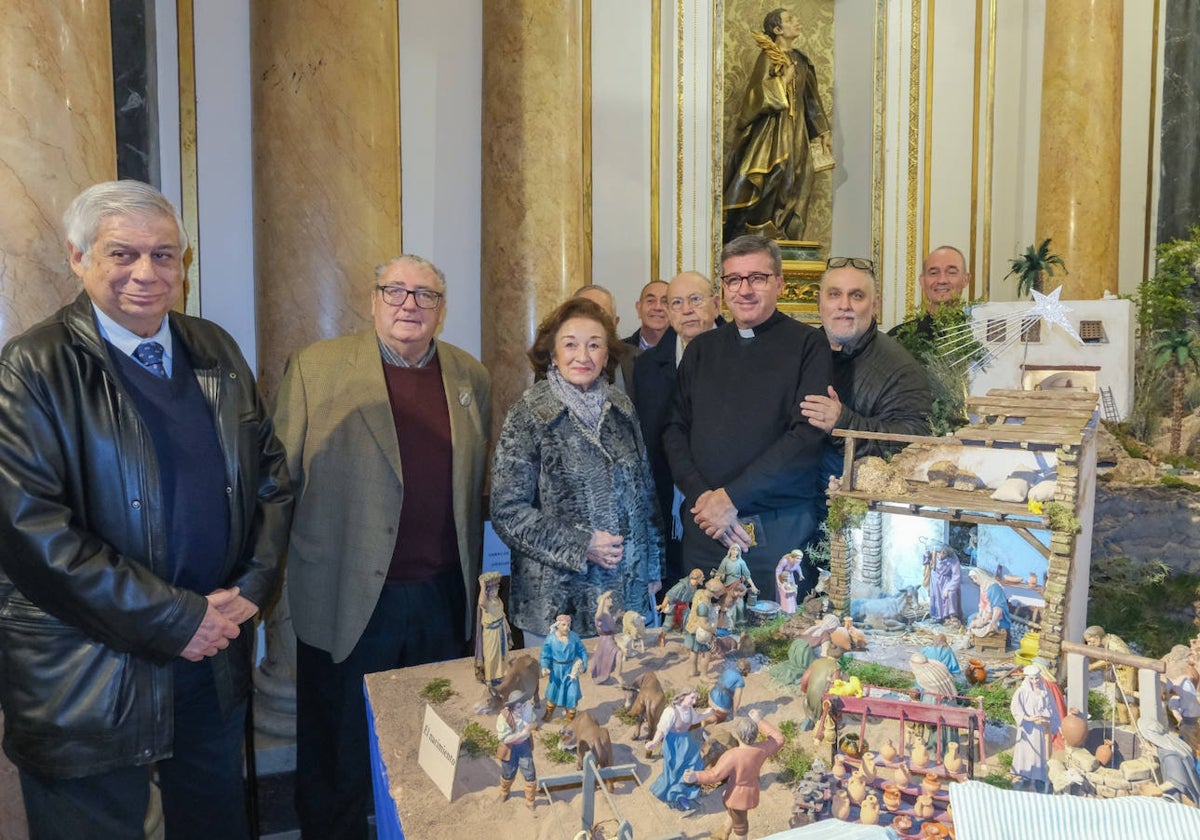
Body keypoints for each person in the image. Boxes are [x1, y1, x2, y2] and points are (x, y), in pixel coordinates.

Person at [0, 180, 292, 840]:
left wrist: (251, 586)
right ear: (77, 258)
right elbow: (33, 534)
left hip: (207, 656)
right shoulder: (33, 368)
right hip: (88, 671)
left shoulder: (213, 348)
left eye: (164, 255)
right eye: (122, 253)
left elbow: (271, 479)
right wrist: (175, 617)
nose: (145, 273)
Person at [273, 253, 491, 839]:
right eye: (395, 291)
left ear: (441, 310)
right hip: (346, 598)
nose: (409, 305)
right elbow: (278, 486)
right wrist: (268, 590)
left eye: (425, 295)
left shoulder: (470, 376)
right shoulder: (315, 369)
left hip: (441, 597)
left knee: (433, 744)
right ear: (372, 300)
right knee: (336, 751)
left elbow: (476, 488)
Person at [491, 297, 663, 648]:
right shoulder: (529, 414)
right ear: (552, 353)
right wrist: (582, 544)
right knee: (561, 698)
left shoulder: (622, 408)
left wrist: (653, 568)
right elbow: (508, 513)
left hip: (626, 595)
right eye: (570, 344)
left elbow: (645, 495)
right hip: (557, 603)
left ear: (606, 355)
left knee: (623, 696)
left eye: (594, 345)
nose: (582, 356)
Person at [663, 235, 831, 591]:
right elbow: (674, 430)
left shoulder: (807, 344)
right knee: (702, 637)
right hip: (705, 526)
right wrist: (705, 500)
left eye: (757, 277)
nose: (745, 289)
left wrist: (731, 498)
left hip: (776, 528)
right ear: (723, 287)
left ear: (779, 284)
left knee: (776, 640)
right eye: (733, 279)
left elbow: (805, 437)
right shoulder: (701, 350)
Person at [801, 257, 931, 489]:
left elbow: (914, 442)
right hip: (794, 499)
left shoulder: (901, 367)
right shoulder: (799, 352)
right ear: (819, 302)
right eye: (834, 294)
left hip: (857, 507)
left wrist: (843, 423)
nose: (844, 305)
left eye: (857, 296)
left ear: (875, 304)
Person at [632, 271, 721, 585]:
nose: (687, 310)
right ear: (668, 313)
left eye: (696, 300)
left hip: (724, 499)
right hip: (668, 500)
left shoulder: (743, 357)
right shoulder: (646, 367)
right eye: (677, 303)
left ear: (717, 305)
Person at [723, 8, 832, 242]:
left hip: (797, 131)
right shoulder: (768, 58)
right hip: (772, 131)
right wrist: (782, 81)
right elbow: (755, 96)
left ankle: (784, 233)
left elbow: (811, 100)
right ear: (777, 30)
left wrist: (822, 131)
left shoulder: (801, 61)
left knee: (797, 177)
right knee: (773, 173)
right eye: (790, 20)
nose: (797, 22)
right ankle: (759, 229)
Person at [684, 710, 786, 840]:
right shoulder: (761, 749)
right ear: (755, 735)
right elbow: (779, 739)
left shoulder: (732, 756)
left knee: (740, 824)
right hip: (752, 788)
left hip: (738, 796)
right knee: (733, 812)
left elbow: (714, 775)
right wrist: (760, 720)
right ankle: (725, 829)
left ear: (738, 735)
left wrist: (696, 777)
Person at [646, 690, 715, 810]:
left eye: (695, 698)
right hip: (674, 744)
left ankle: (688, 793)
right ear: (682, 697)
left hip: (687, 742)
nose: (694, 701)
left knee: (695, 763)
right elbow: (662, 730)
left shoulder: (689, 709)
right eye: (692, 698)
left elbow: (695, 719)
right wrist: (654, 742)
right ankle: (676, 795)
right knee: (675, 770)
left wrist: (706, 714)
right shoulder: (670, 712)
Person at [888, 245, 971, 340]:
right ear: (922, 281)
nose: (942, 280)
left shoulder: (978, 333)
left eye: (951, 272)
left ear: (966, 279)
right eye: (934, 273)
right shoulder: (898, 337)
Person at [572, 284, 637, 392]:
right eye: (585, 314)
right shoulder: (552, 363)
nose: (593, 323)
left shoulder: (639, 361)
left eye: (602, 316)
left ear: (615, 323)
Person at [1009, 664, 1060, 792]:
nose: (1035, 681)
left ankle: (1036, 779)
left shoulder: (1045, 692)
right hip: (1028, 728)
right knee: (1028, 752)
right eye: (1032, 679)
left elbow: (1052, 708)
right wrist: (1028, 718)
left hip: (1041, 728)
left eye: (1037, 678)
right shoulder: (1022, 692)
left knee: (1040, 753)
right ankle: (1025, 777)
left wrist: (1052, 722)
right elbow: (1016, 709)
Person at [540, 614, 588, 722]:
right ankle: (548, 714)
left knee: (571, 695)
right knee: (553, 694)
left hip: (570, 671)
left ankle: (570, 720)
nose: (566, 627)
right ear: (557, 625)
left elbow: (582, 651)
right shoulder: (551, 639)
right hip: (556, 671)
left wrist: (583, 664)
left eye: (568, 624)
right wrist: (544, 666)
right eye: (563, 625)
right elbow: (545, 655)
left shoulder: (574, 637)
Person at [495, 689, 538, 809]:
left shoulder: (526, 712)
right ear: (512, 707)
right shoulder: (503, 718)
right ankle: (504, 792)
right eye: (519, 707)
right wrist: (523, 733)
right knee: (508, 772)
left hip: (524, 747)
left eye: (524, 706)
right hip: (510, 748)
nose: (522, 710)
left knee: (530, 772)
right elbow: (505, 739)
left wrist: (531, 726)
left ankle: (530, 801)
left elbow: (534, 722)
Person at [476, 572, 512, 686]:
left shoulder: (498, 600)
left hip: (500, 629)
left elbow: (502, 615)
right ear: (487, 591)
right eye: (492, 589)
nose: (495, 591)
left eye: (496, 588)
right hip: (491, 633)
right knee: (491, 655)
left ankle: (499, 675)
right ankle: (489, 678)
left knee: (501, 654)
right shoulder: (486, 603)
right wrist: (482, 586)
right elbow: (481, 601)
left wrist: (507, 627)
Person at [966, 568, 1011, 645]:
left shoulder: (994, 588)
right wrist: (979, 615)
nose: (974, 581)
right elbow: (982, 604)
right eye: (972, 579)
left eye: (975, 578)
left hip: (998, 617)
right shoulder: (983, 587)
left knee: (982, 625)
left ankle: (984, 642)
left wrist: (991, 621)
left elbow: (998, 608)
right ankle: (974, 640)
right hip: (987, 613)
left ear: (981, 576)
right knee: (971, 618)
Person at [623, 280, 670, 350]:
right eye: (650, 301)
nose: (658, 307)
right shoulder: (617, 352)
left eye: (665, 301)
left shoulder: (687, 350)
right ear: (639, 308)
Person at [924, 545, 963, 623]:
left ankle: (948, 616)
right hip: (935, 578)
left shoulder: (953, 558)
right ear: (940, 552)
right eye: (941, 554)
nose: (941, 556)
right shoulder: (934, 552)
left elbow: (956, 575)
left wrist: (948, 588)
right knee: (936, 596)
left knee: (947, 595)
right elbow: (927, 561)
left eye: (945, 556)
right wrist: (926, 555)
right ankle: (937, 616)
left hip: (946, 580)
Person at [590, 590, 620, 684]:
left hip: (610, 638)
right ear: (603, 602)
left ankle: (605, 677)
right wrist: (603, 597)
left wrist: (617, 616)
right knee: (619, 654)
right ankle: (618, 675)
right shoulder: (601, 613)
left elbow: (609, 623)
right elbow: (597, 616)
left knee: (605, 660)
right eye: (608, 598)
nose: (611, 599)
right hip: (606, 640)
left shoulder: (607, 613)